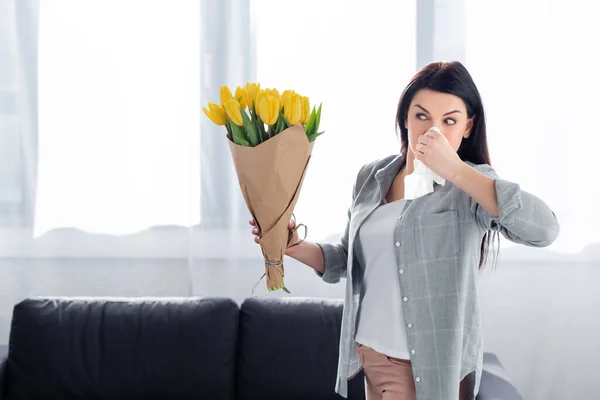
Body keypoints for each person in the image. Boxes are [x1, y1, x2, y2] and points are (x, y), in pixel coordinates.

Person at [249, 61, 559, 400]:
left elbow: (545, 229)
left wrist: (454, 169)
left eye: (450, 120)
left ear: (468, 126)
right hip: (370, 355)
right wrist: (294, 245)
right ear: (405, 119)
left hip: (421, 367)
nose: (432, 130)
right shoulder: (373, 175)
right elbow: (350, 261)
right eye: (422, 116)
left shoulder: (472, 187)